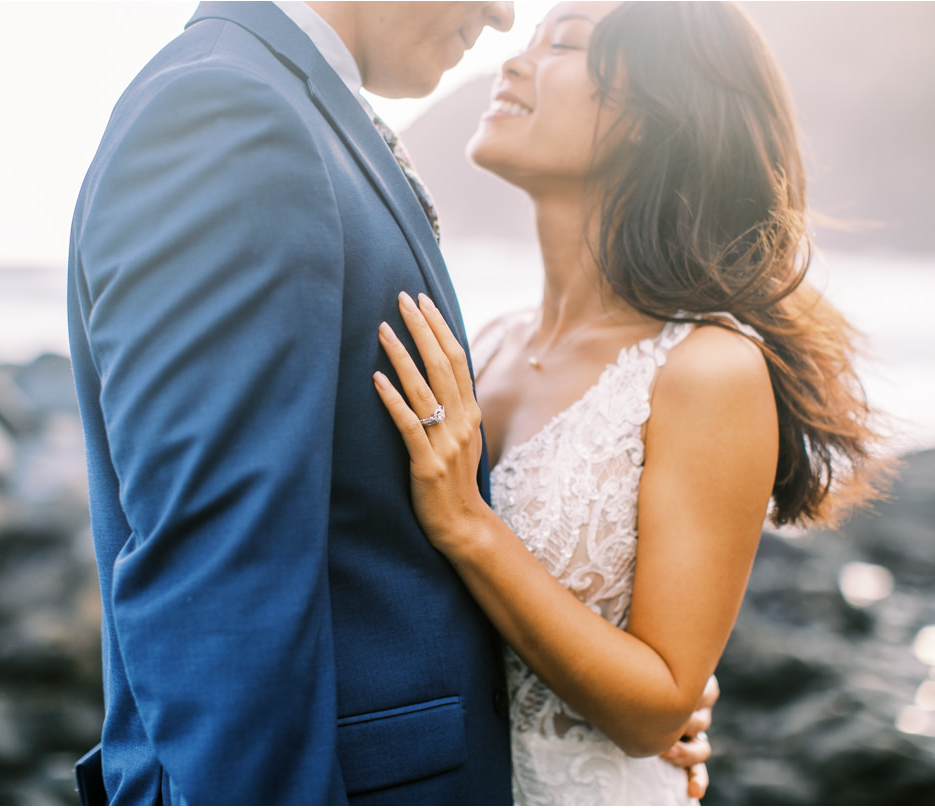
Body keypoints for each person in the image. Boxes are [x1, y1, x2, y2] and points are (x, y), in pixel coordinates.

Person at [67, 2, 714, 804]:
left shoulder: (291, 110)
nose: (503, 16)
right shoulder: (231, 115)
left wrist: (619, 709)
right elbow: (219, 598)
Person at [373, 2, 892, 805]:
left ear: (658, 117)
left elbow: (656, 709)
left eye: (565, 45)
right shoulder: (488, 345)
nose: (510, 60)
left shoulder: (706, 371)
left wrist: (468, 527)